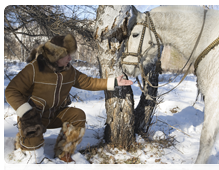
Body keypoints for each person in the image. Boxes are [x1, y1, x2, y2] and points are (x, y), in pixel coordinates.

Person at [5, 34, 133, 164]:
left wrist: (114, 82)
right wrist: (26, 113)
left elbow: (88, 82)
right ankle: (25, 144)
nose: (70, 58)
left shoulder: (69, 71)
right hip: (33, 117)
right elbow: (11, 91)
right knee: (33, 156)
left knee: (77, 115)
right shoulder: (34, 68)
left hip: (55, 115)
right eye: (67, 55)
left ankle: (63, 152)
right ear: (56, 55)